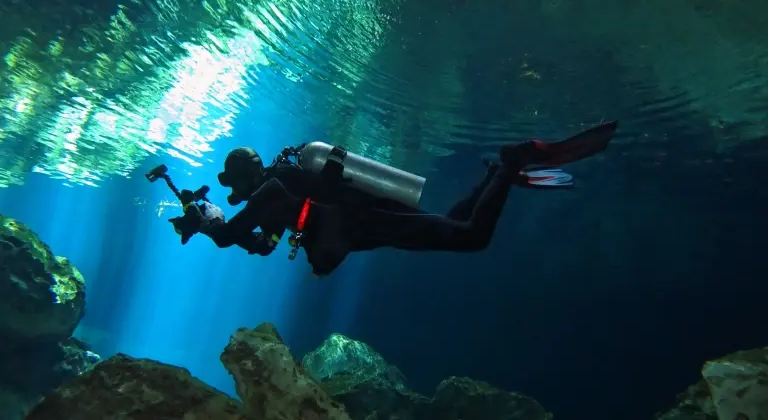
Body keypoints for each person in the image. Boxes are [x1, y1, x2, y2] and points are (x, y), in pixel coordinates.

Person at [170, 121, 617, 276]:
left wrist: (201, 216)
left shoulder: (271, 187)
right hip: (370, 217)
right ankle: (493, 176)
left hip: (365, 221)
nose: (232, 191)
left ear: (246, 174)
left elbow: (231, 235)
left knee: (471, 237)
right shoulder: (282, 184)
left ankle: (511, 162)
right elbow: (262, 244)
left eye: (232, 182)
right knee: (451, 225)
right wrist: (211, 219)